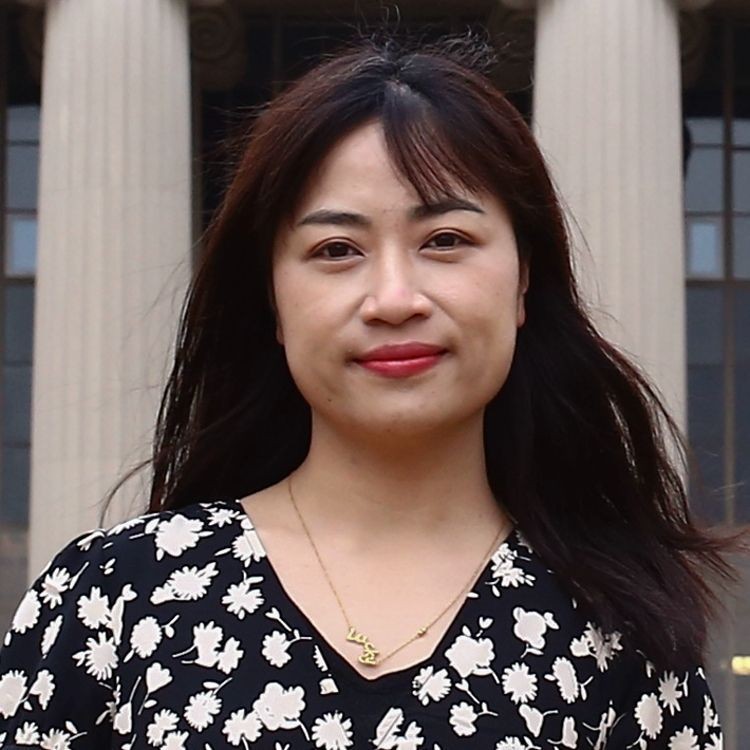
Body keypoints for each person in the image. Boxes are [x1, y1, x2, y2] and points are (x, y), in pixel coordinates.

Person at [0, 32, 743, 749]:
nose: (393, 298)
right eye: (336, 250)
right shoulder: (114, 598)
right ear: (272, 302)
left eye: (445, 240)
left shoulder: (622, 636)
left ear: (523, 280)